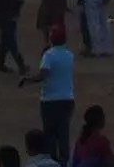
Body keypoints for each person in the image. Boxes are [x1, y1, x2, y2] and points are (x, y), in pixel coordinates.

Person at [38, 27, 78, 164]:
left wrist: (28, 80)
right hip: (67, 98)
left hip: (49, 100)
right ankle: (64, 162)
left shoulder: (48, 55)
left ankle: (52, 162)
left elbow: (43, 74)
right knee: (63, 132)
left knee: (49, 133)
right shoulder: (70, 55)